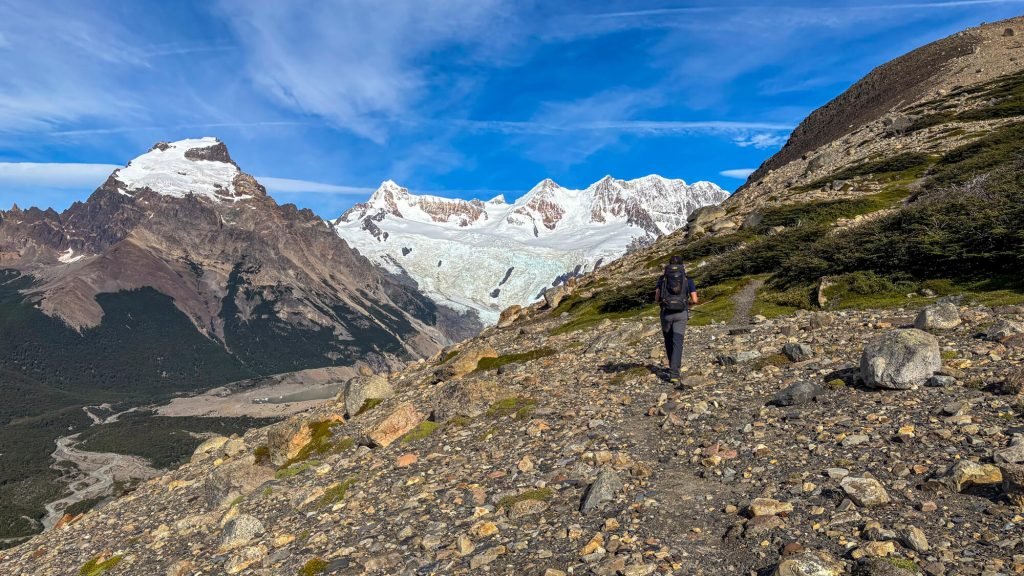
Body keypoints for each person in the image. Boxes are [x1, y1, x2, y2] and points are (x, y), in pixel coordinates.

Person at [654, 255, 698, 386]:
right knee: (677, 342)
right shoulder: (687, 279)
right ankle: (674, 373)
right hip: (681, 313)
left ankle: (672, 367)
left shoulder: (662, 279)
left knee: (668, 340)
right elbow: (695, 300)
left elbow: (656, 298)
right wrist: (687, 304)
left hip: (666, 313)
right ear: (682, 266)